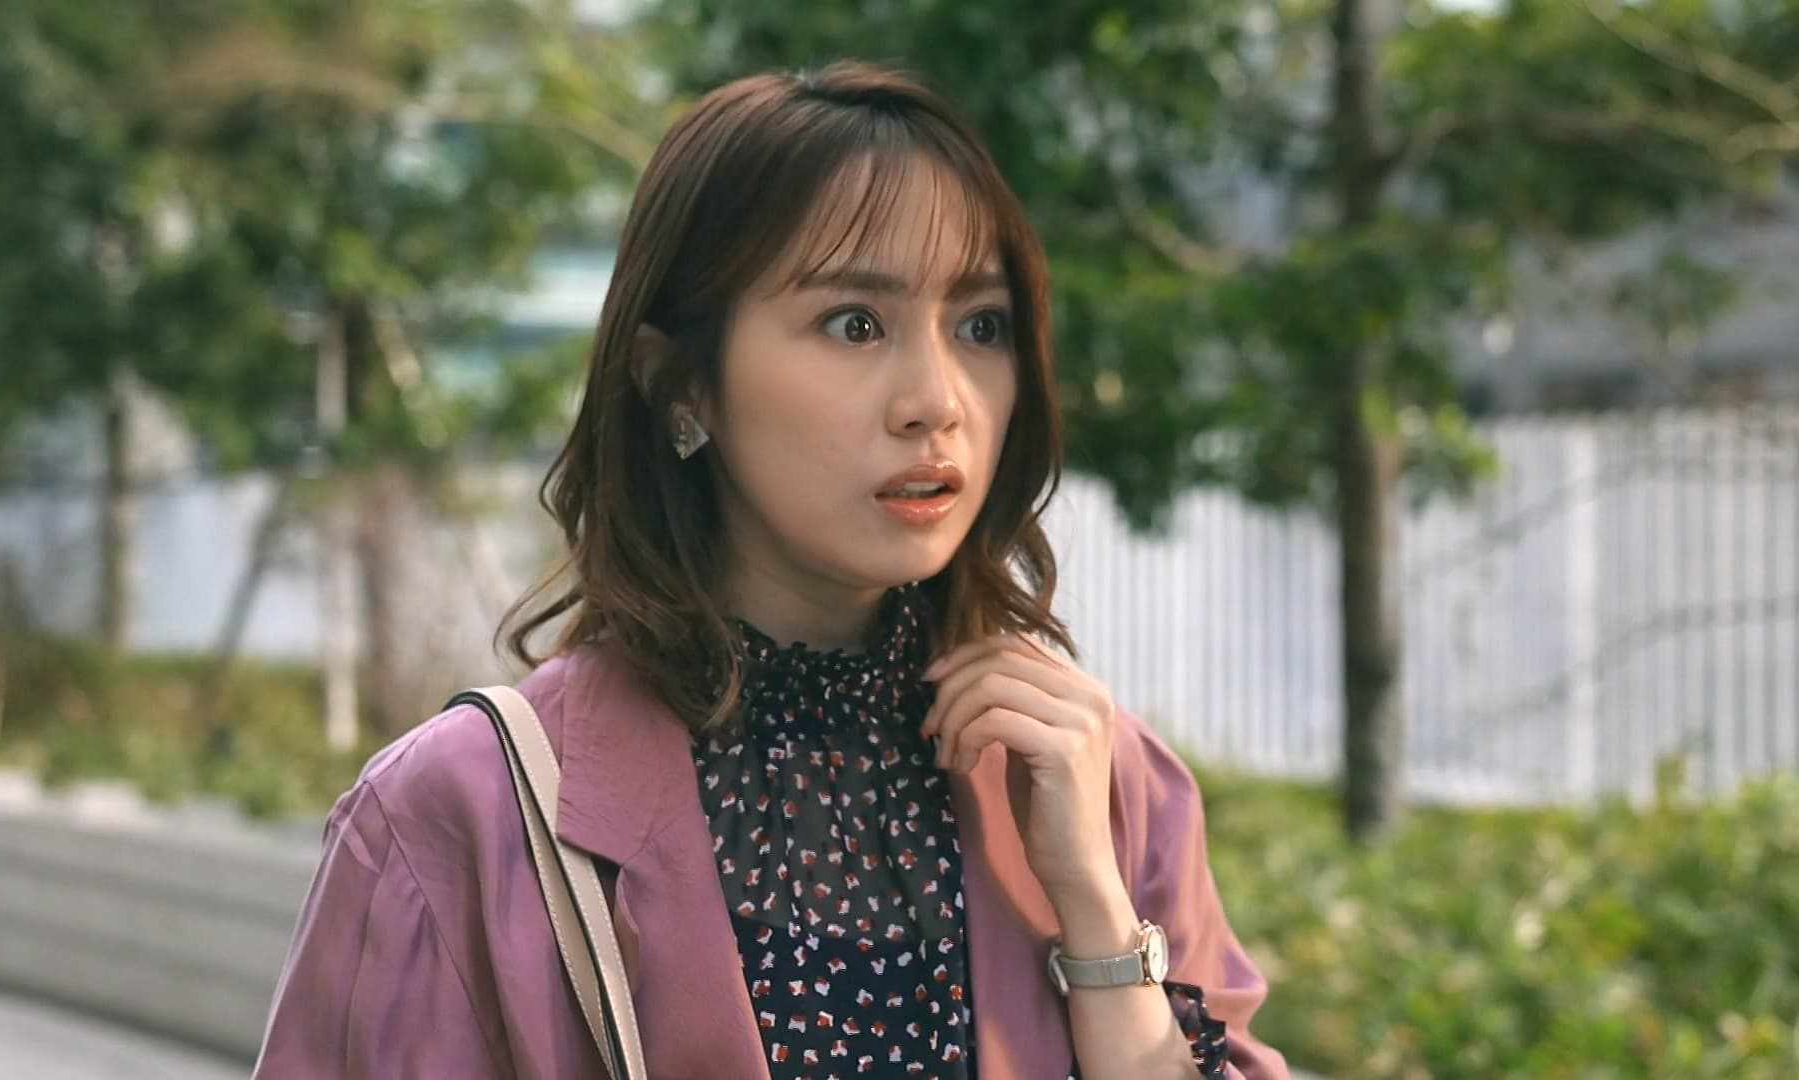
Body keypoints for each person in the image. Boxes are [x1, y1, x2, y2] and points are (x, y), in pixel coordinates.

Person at [253, 60, 1289, 1080]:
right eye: (855, 324)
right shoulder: (457, 816)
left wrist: (1098, 915)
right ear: (680, 384)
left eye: (981, 326)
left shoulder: (1101, 779)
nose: (938, 400)